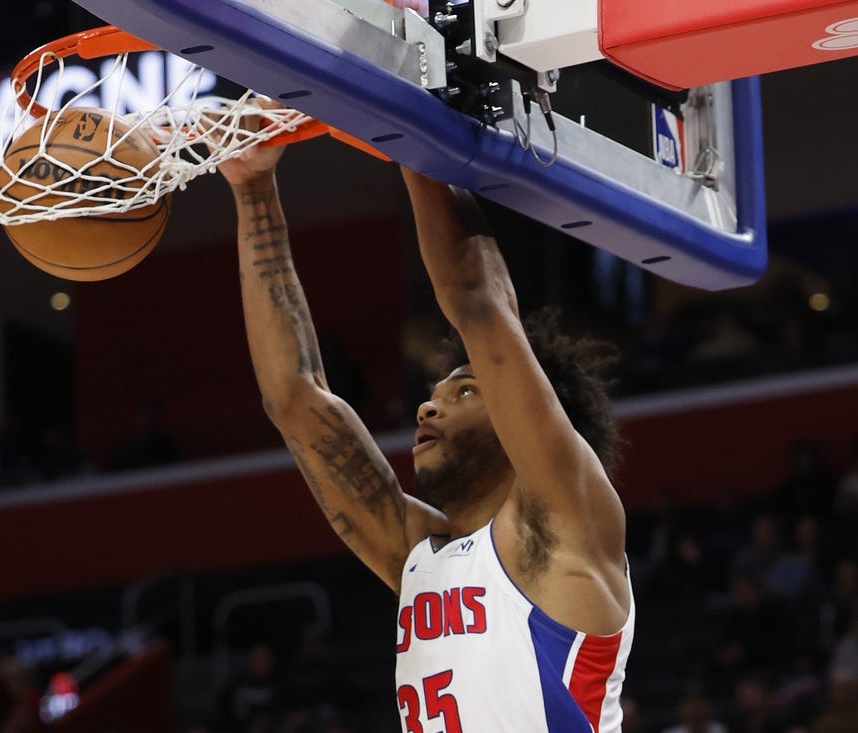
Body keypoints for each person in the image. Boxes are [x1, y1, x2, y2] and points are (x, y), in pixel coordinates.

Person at [217, 113, 634, 732]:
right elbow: (294, 398)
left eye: (464, 389)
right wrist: (253, 189)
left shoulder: (567, 518)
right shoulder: (422, 556)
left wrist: (407, 125)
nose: (427, 406)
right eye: (434, 392)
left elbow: (481, 305)